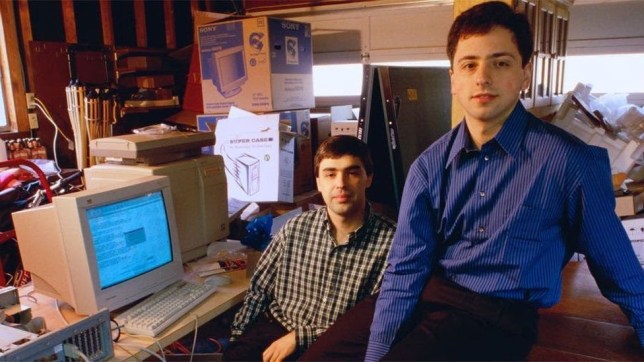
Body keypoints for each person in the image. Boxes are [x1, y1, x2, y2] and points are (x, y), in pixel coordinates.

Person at [300, 2, 644, 361]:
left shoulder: (569, 162)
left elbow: (618, 267)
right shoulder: (428, 166)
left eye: (501, 62)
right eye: (469, 64)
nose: (483, 77)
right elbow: (406, 268)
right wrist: (376, 352)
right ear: (453, 78)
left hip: (498, 315)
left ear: (524, 74)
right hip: (430, 292)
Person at [222, 135, 396, 362]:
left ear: (368, 178)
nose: (340, 184)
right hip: (276, 328)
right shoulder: (296, 227)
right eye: (330, 174)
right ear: (318, 182)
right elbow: (259, 292)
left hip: (335, 343)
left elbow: (373, 321)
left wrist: (300, 337)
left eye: (352, 173)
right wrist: (238, 340)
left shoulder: (392, 243)